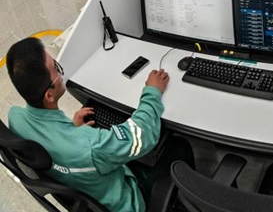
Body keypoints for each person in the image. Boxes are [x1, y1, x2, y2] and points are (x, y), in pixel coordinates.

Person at [5, 37, 185, 212]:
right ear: (49, 96)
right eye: (56, 69)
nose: (61, 73)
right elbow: (141, 135)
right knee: (177, 146)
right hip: (124, 203)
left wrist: (70, 128)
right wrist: (152, 91)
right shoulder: (90, 146)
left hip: (87, 191)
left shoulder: (15, 118)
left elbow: (52, 143)